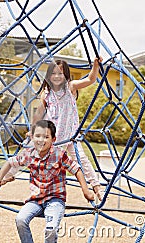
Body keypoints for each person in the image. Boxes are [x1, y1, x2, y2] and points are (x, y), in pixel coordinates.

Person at [0, 120, 95, 243]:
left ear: (53, 139)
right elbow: (9, 162)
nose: (41, 140)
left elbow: (76, 169)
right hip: (35, 199)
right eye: (37, 136)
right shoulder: (28, 154)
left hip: (55, 199)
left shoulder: (59, 154)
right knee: (20, 219)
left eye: (46, 137)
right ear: (32, 137)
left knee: (51, 228)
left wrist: (85, 190)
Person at [33, 57, 104, 200]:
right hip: (55, 138)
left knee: (82, 160)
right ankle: (44, 192)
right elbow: (39, 114)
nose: (57, 76)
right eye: (53, 73)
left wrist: (95, 66)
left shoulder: (70, 87)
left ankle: (97, 188)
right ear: (48, 75)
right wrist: (33, 129)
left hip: (71, 135)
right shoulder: (46, 94)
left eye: (61, 73)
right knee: (50, 164)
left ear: (66, 75)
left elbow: (90, 80)